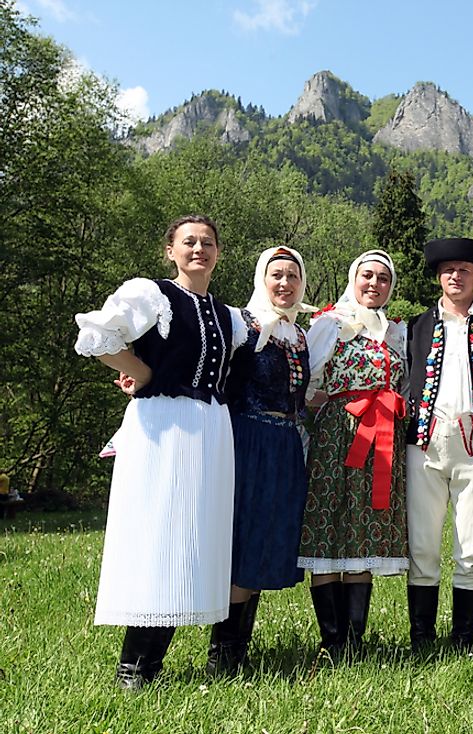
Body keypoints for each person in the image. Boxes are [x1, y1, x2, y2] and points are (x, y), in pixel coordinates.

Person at [74, 214, 247, 689]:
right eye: (188, 242)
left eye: (208, 242)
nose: (199, 249)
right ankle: (135, 669)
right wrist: (144, 373)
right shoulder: (152, 295)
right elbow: (97, 337)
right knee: (159, 538)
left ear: (218, 252)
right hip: (162, 427)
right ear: (170, 250)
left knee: (189, 544)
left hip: (210, 429)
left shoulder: (230, 318)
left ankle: (151, 664)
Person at [206, 246, 315, 674]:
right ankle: (223, 656)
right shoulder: (239, 323)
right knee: (244, 538)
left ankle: (236, 649)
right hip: (246, 440)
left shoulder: (298, 335)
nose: (285, 283)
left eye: (292, 275)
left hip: (285, 445)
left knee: (266, 540)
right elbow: (202, 363)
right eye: (277, 275)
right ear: (261, 279)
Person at [404, 237, 473, 652]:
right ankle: (421, 637)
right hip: (425, 441)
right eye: (448, 270)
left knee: (472, 541)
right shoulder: (415, 326)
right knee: (422, 541)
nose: (456, 276)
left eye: (464, 270)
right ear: (439, 276)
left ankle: (464, 637)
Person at [298, 250, 409, 659]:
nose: (374, 284)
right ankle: (331, 641)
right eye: (367, 276)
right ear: (353, 278)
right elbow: (303, 374)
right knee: (329, 530)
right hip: (337, 437)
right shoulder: (330, 324)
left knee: (362, 532)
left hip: (383, 442)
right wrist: (315, 400)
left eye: (383, 278)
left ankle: (353, 643)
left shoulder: (394, 332)